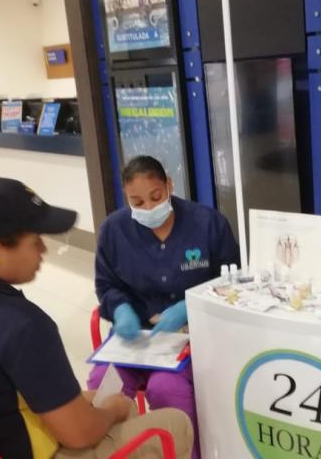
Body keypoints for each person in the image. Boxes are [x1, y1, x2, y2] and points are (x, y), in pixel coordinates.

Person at [0, 178, 194, 459]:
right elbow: (80, 434)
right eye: (35, 240)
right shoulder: (22, 325)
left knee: (100, 403)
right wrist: (114, 410)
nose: (43, 250)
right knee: (173, 424)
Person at [88, 156, 240, 459]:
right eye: (137, 202)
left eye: (156, 197)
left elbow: (233, 282)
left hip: (191, 335)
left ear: (169, 185)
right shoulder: (114, 231)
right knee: (101, 385)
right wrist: (120, 309)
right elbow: (106, 285)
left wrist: (190, 305)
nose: (148, 208)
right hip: (135, 338)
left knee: (166, 389)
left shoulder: (207, 223)